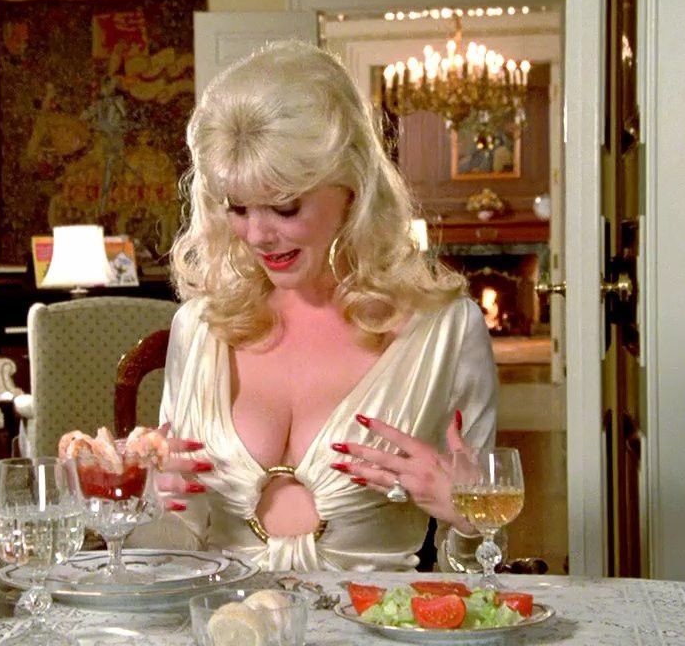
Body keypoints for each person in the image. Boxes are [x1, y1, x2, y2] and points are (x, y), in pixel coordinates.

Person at [133, 40, 499, 572]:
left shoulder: (445, 334)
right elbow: (173, 544)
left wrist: (467, 516)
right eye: (238, 207)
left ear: (351, 187)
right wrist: (146, 498)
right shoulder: (200, 328)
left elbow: (482, 572)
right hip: (221, 614)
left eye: (284, 207)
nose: (257, 235)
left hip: (370, 616)